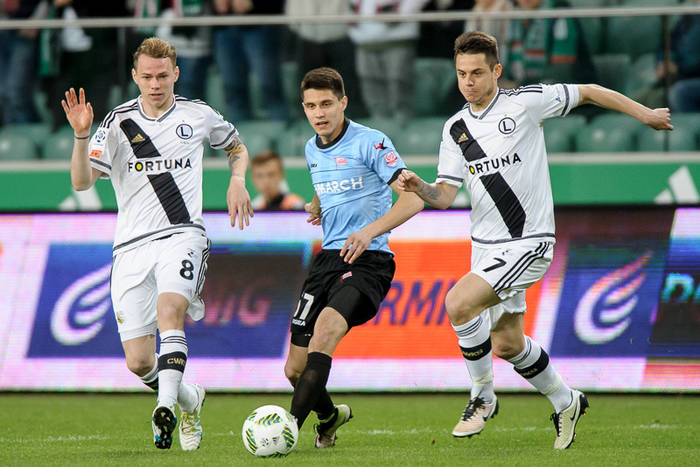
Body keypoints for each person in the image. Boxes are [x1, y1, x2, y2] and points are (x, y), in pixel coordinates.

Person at [347, 31, 672, 449]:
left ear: (496, 71)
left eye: (477, 73)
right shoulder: (455, 128)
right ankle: (566, 400)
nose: (468, 82)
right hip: (485, 247)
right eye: (461, 74)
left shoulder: (525, 103)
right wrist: (420, 187)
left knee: (457, 303)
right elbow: (444, 196)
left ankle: (482, 397)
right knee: (507, 343)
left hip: (529, 241)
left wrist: (645, 114)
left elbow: (589, 91)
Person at [61, 37, 253, 451]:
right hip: (130, 247)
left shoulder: (198, 114)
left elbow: (237, 147)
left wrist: (237, 180)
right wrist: (81, 136)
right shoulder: (116, 123)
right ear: (135, 76)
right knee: (139, 361)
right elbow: (80, 182)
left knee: (171, 310)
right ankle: (188, 399)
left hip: (182, 234)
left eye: (162, 76)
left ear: (176, 73)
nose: (155, 84)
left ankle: (164, 408)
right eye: (147, 77)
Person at [283, 67, 424, 448]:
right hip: (327, 261)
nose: (319, 113)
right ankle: (330, 417)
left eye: (326, 103)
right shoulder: (311, 148)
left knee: (326, 330)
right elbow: (327, 181)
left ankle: (286, 430)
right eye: (311, 106)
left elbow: (413, 199)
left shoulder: (372, 142)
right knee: (295, 369)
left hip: (368, 260)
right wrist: (318, 202)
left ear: (343, 102)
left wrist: (368, 232)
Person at [503, 0, 595, 88]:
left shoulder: (559, 14)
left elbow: (561, 73)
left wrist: (519, 87)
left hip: (564, 92)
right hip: (524, 91)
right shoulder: (513, 16)